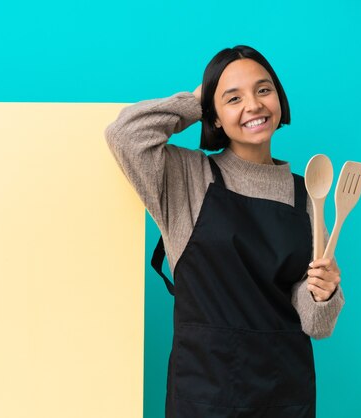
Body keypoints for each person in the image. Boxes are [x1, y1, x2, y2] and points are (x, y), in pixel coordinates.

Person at [104, 45, 345, 418]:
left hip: (284, 390)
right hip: (204, 391)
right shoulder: (187, 177)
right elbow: (125, 134)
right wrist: (200, 96)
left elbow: (315, 324)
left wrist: (324, 293)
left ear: (279, 98)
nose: (253, 105)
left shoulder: (308, 194)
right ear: (212, 116)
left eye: (263, 90)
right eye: (233, 98)